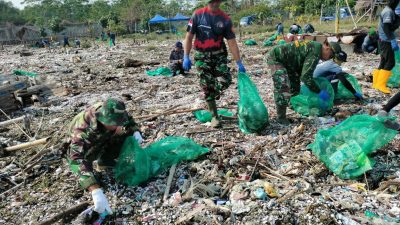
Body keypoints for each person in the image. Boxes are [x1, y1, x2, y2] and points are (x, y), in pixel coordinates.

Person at [65, 98, 143, 215]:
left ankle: (105, 161)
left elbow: (129, 121)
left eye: (118, 122)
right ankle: (95, 167)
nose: (117, 125)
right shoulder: (82, 129)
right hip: (87, 147)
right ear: (101, 118)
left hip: (104, 137)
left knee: (125, 136)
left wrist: (136, 131)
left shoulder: (116, 110)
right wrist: (95, 190)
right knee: (85, 166)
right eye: (112, 123)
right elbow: (76, 159)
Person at [183, 0, 246, 128]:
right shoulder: (197, 15)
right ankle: (214, 116)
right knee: (207, 87)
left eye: (217, 1)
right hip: (202, 56)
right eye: (211, 1)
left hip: (219, 56)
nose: (214, 4)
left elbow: (232, 42)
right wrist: (185, 56)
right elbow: (189, 37)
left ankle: (214, 93)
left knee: (226, 80)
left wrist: (239, 62)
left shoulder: (225, 19)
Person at [266, 40, 341, 124]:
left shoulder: (316, 48)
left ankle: (292, 105)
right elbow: (306, 77)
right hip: (277, 59)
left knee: (295, 88)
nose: (328, 58)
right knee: (282, 86)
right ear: (327, 48)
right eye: (330, 56)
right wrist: (319, 91)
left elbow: (303, 70)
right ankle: (281, 117)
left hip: (291, 64)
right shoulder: (316, 52)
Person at [372, 0, 400, 94]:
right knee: (390, 62)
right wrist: (392, 39)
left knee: (383, 61)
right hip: (386, 40)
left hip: (382, 40)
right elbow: (386, 27)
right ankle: (380, 85)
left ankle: (376, 83)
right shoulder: (388, 11)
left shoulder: (388, 10)